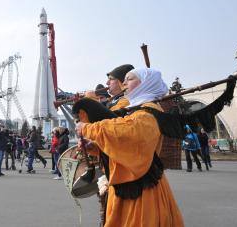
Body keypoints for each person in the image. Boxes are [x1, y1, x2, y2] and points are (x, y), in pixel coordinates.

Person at [76, 68, 184, 227]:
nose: (124, 83)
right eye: (124, 79)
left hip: (142, 188)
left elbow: (126, 131)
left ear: (145, 84)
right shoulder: (138, 108)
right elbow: (126, 146)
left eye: (130, 79)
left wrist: (87, 128)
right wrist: (95, 147)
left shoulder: (149, 111)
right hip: (128, 181)